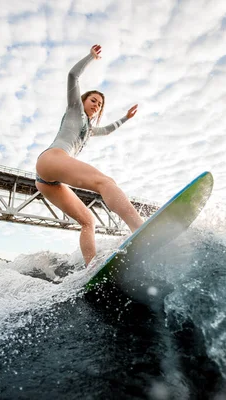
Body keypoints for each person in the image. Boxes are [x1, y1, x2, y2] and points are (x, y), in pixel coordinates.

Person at [35, 44, 144, 266]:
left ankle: (90, 268)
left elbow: (108, 130)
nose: (96, 105)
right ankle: (140, 229)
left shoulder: (89, 129)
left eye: (100, 104)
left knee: (88, 221)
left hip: (46, 181)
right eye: (93, 100)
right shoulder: (74, 108)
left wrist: (125, 118)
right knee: (106, 182)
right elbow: (72, 75)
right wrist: (90, 57)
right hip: (52, 158)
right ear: (84, 100)